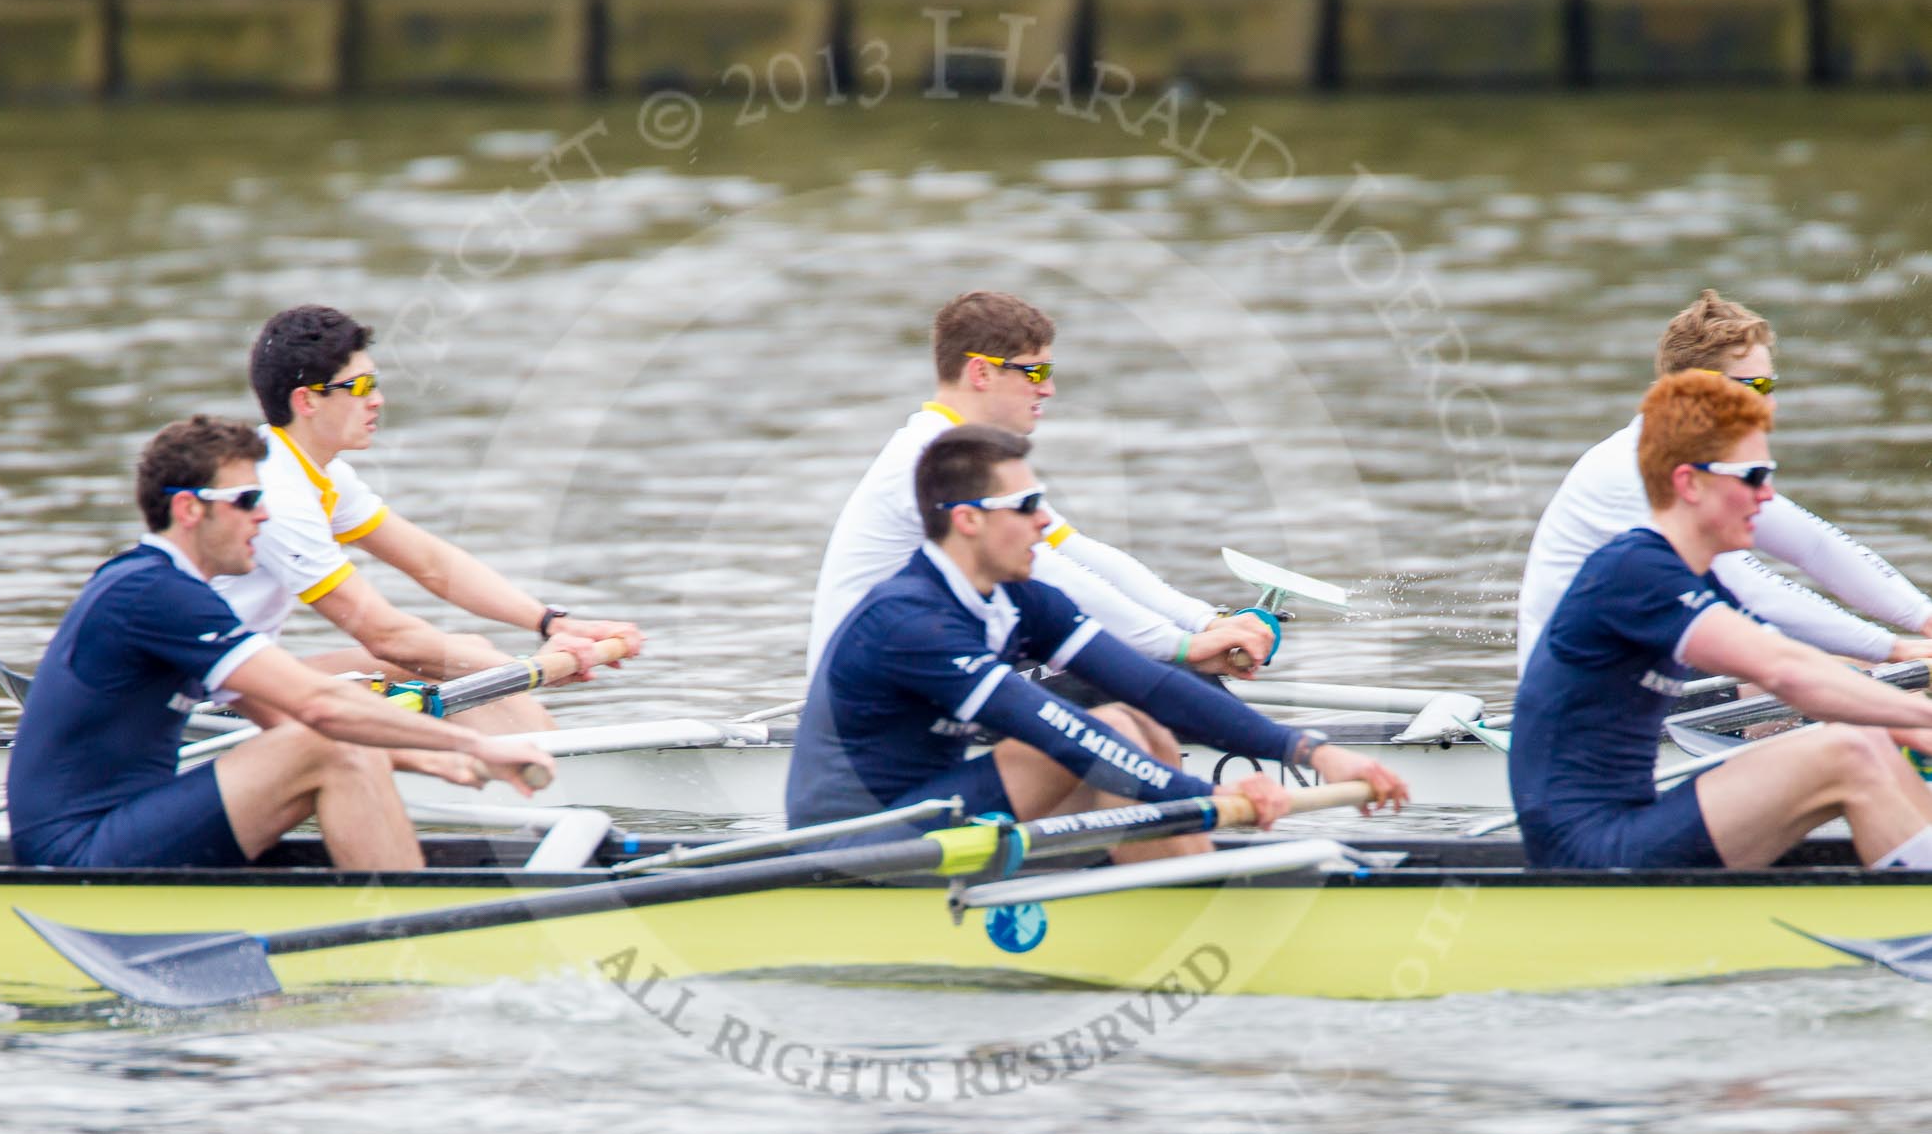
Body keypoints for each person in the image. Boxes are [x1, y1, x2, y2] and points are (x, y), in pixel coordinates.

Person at [787, 426, 1408, 857]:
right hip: (854, 842)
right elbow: (1059, 731)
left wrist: (1310, 752)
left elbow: (1152, 682)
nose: (1043, 522)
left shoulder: (1020, 597)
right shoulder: (912, 621)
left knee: (1133, 715)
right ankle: (1179, 892)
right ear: (969, 520)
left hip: (937, 813)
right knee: (1105, 732)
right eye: (1026, 505)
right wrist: (1217, 795)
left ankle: (1174, 881)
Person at [8, 416, 565, 872]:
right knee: (329, 742)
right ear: (188, 509)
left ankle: (396, 911)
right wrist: (478, 747)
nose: (265, 513)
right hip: (74, 853)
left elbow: (275, 713)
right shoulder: (152, 594)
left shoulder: (170, 588)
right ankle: (412, 952)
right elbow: (319, 707)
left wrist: (423, 758)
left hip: (121, 825)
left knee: (335, 737)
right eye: (248, 498)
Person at [1511, 372, 1932, 872]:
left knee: (1869, 737)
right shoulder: (1634, 572)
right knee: (1851, 752)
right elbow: (1786, 674)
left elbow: (1800, 670)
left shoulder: (1693, 579)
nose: (1768, 495)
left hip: (1628, 820)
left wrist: (1911, 726)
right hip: (1586, 849)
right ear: (1689, 482)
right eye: (1752, 476)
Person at [211, 305, 644, 734]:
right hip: (192, 703)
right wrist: (532, 668)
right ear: (306, 401)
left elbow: (432, 564)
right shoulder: (277, 496)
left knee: (465, 653)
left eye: (375, 384)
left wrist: (550, 622)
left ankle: (538, 760)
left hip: (237, 678)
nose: (377, 399)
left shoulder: (316, 473)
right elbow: (387, 637)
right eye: (359, 387)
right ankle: (544, 774)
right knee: (446, 665)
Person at [804, 290, 1279, 679]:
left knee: (1159, 669)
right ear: (981, 372)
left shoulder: (968, 451)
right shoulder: (932, 460)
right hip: (866, 692)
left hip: (931, 660)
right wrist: (1179, 646)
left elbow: (1079, 554)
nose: (1048, 389)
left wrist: (1203, 622)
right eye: (1035, 372)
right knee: (1158, 674)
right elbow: (1048, 575)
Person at [1517, 288, 1932, 674]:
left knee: (1857, 666)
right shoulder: (1636, 470)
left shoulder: (1710, 465)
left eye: (1771, 385)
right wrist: (1892, 649)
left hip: (1648, 657)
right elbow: (1750, 590)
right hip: (1582, 686)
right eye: (1757, 386)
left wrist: (1923, 619)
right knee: (1848, 668)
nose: (1772, 403)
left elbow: (1814, 546)